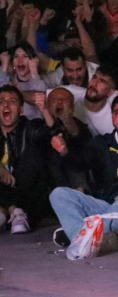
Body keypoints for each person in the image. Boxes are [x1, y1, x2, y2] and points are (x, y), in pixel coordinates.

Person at [49, 93, 118, 251]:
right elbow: (79, 164)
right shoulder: (102, 144)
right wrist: (64, 152)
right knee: (59, 194)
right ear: (112, 119)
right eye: (117, 112)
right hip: (108, 210)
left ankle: (79, 234)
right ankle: (96, 239)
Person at [0, 86, 65, 233]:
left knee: (37, 150)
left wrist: (44, 110)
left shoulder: (30, 127)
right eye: (1, 101)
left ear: (21, 109)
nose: (6, 105)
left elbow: (55, 134)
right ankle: (11, 211)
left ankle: (13, 211)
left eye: (12, 101)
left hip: (27, 194)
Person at [62, 66, 118, 136]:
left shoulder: (113, 119)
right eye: (94, 77)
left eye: (102, 81)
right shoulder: (70, 93)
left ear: (110, 92)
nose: (94, 84)